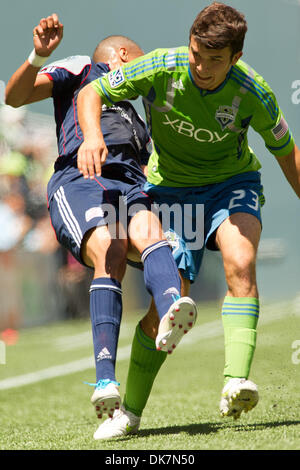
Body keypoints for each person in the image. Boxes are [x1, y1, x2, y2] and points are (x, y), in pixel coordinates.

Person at [76, 1, 300, 438]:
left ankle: (235, 380)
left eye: (215, 59)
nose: (201, 66)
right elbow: (91, 92)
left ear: (235, 58)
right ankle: (132, 414)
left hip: (232, 184)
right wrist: (91, 135)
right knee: (171, 300)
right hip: (173, 193)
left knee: (240, 261)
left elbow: (287, 153)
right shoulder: (160, 66)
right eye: (196, 52)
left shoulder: (255, 92)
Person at [5, 14, 198, 439]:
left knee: (154, 234)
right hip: (83, 178)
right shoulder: (82, 69)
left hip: (130, 183)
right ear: (124, 57)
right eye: (140, 61)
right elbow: (14, 96)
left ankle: (171, 308)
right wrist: (39, 55)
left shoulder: (139, 110)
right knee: (109, 249)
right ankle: (105, 380)